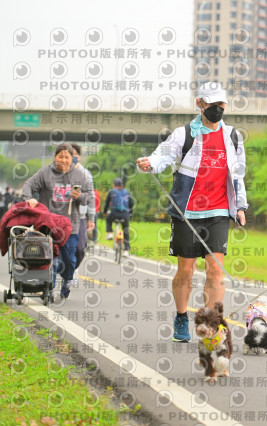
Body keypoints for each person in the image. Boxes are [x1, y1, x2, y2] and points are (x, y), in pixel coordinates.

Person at [136, 82, 248, 343]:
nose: (217, 109)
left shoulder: (233, 136)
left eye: (221, 105)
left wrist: (241, 206)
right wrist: (149, 163)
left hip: (219, 210)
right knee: (186, 270)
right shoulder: (183, 134)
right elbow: (162, 156)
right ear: (200, 104)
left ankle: (210, 322)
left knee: (215, 271)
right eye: (212, 104)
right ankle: (181, 316)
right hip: (186, 211)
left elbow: (238, 175)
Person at [22, 143, 94, 299]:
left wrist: (80, 196)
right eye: (60, 156)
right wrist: (29, 198)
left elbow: (89, 197)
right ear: (55, 157)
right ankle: (49, 288)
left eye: (66, 157)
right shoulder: (45, 172)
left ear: (72, 158)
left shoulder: (79, 175)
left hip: (70, 225)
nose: (63, 160)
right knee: (51, 259)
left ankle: (67, 280)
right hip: (47, 224)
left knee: (70, 259)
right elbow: (29, 185)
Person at [70, 144, 95, 273]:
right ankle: (64, 272)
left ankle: (73, 269)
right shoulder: (58, 172)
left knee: (80, 248)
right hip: (61, 216)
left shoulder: (86, 174)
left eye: (73, 154)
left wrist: (91, 218)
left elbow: (91, 197)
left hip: (80, 216)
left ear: (79, 156)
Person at [103, 178, 133, 258]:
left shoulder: (111, 192)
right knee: (126, 231)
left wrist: (105, 212)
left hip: (114, 214)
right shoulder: (126, 192)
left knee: (108, 219)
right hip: (125, 215)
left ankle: (110, 233)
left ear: (114, 185)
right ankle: (126, 250)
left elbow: (107, 203)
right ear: (122, 185)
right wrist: (130, 213)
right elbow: (131, 204)